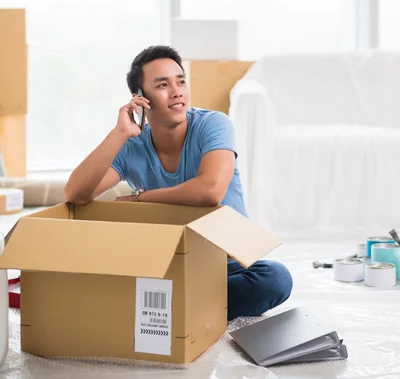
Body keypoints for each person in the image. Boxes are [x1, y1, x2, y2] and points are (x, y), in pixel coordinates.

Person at [64, 45, 292, 320]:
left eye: (180, 81)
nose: (177, 92)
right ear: (140, 98)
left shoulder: (213, 124)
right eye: (162, 85)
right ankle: (178, 308)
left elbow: (210, 190)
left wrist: (140, 198)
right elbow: (75, 194)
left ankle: (157, 310)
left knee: (276, 278)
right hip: (167, 265)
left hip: (226, 265)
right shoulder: (131, 145)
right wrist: (120, 132)